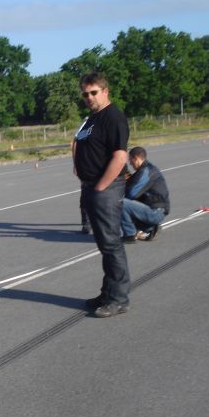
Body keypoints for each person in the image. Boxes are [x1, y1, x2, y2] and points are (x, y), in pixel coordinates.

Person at [73, 72, 131, 318]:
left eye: (93, 92)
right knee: (104, 244)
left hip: (105, 189)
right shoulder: (92, 119)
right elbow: (78, 143)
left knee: (111, 245)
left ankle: (118, 299)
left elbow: (120, 156)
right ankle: (107, 293)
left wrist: (100, 187)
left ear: (105, 91)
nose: (89, 97)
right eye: (85, 94)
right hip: (91, 186)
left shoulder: (113, 117)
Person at [121, 146, 170, 243]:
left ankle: (130, 235)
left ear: (136, 158)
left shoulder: (146, 172)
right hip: (156, 209)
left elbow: (132, 193)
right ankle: (150, 228)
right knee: (124, 206)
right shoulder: (145, 170)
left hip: (156, 211)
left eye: (130, 160)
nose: (130, 163)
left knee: (120, 203)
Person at [71, 116, 92, 234]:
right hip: (87, 166)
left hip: (103, 165)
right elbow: (76, 142)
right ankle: (86, 222)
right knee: (86, 193)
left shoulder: (109, 120)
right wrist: (76, 163)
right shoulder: (88, 124)